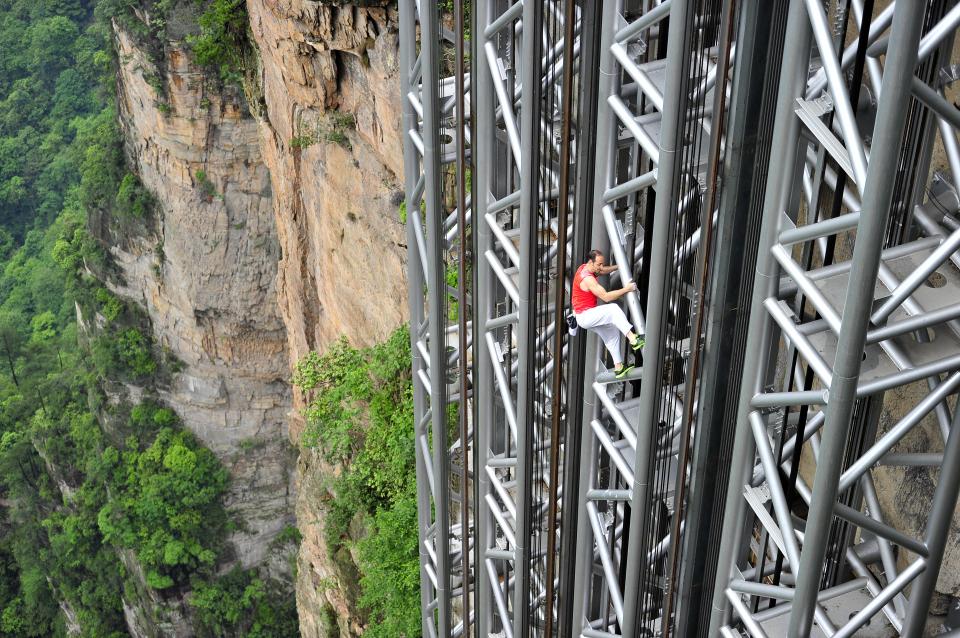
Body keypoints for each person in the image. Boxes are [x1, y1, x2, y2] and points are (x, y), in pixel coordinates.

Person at [572, 249, 644, 379]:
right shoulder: (587, 279)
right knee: (613, 309)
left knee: (612, 333)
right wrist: (627, 289)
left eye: (602, 264)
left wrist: (619, 266)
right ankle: (633, 339)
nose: (601, 267)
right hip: (585, 316)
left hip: (583, 316)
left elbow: (603, 270)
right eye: (599, 264)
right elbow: (606, 297)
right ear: (591, 262)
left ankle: (618, 367)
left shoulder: (586, 267)